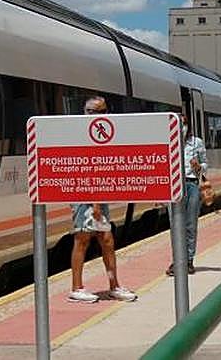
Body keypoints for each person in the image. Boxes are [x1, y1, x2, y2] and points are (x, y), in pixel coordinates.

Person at [68, 96, 138, 303]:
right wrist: (94, 202)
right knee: (82, 239)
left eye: (104, 111)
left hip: (99, 195)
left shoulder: (100, 135)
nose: (103, 116)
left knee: (106, 241)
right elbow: (85, 168)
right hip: (85, 197)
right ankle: (76, 288)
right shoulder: (81, 136)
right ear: (87, 113)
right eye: (98, 112)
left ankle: (114, 284)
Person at [166, 110, 207, 276]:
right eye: (178, 124)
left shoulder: (196, 143)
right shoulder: (168, 142)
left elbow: (205, 164)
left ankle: (188, 260)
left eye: (183, 124)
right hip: (174, 186)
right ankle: (177, 260)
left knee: (190, 224)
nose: (181, 127)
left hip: (191, 184)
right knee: (176, 225)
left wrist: (199, 167)